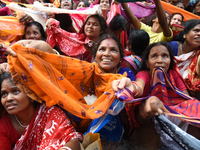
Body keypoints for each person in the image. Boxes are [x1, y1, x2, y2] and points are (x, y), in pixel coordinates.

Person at [0, 72, 83, 150]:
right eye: (4, 94)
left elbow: (73, 141)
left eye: (15, 91)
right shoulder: (3, 125)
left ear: (31, 94)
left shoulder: (51, 114)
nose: (8, 98)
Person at [168, 19, 200, 98]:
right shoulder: (173, 47)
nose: (199, 34)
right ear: (185, 34)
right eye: (196, 30)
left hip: (189, 94)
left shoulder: (198, 55)